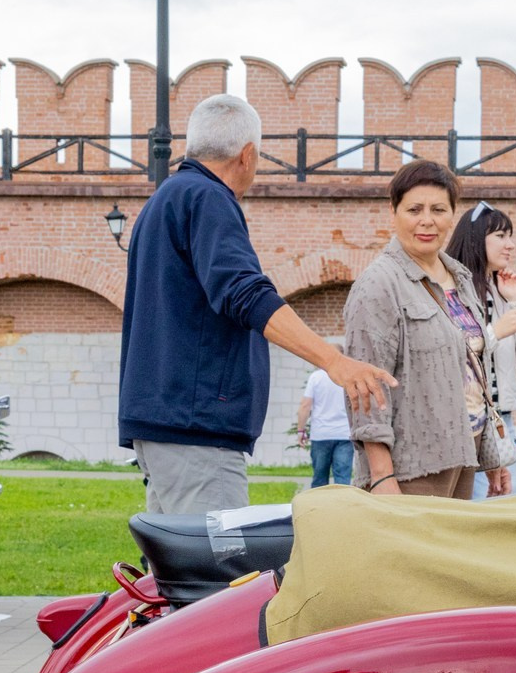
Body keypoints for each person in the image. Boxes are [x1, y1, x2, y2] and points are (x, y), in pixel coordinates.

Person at [118, 94, 395, 515]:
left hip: (167, 422)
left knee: (177, 574)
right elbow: (244, 292)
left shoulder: (164, 200)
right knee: (215, 573)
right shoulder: (208, 198)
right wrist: (333, 361)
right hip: (196, 430)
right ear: (247, 155)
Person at [344, 161, 512, 499]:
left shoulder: (461, 279)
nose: (427, 220)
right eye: (414, 209)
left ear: (452, 215)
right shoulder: (379, 285)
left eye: (438, 209)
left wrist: (492, 454)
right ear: (394, 212)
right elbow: (365, 386)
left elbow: (474, 372)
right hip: (411, 465)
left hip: (465, 451)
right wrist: (380, 477)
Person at [446, 201, 516, 493]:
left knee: (505, 514)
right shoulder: (451, 291)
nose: (510, 245)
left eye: (510, 236)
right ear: (476, 239)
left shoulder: (500, 292)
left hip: (502, 423)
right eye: (501, 236)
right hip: (466, 422)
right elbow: (452, 354)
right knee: (473, 510)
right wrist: (495, 332)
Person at [294, 368, 353, 487]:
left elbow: (305, 405)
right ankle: (343, 504)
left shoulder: (316, 377)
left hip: (321, 434)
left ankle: (318, 505)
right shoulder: (348, 376)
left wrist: (301, 430)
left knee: (319, 478)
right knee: (343, 479)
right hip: (345, 434)